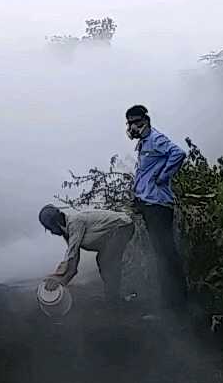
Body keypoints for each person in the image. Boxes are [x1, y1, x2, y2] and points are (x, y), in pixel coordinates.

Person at [125, 104, 188, 311]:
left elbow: (178, 153)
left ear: (146, 121)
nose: (133, 127)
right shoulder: (144, 143)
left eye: (136, 122)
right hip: (149, 204)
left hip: (158, 205)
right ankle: (170, 300)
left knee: (166, 253)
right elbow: (144, 173)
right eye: (130, 123)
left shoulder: (155, 139)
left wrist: (163, 177)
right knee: (161, 253)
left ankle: (177, 303)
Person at [38, 205, 136, 303]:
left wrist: (57, 278)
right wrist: (60, 282)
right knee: (104, 260)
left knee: (107, 261)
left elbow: (71, 254)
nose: (52, 232)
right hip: (113, 233)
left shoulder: (75, 223)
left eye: (50, 229)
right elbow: (73, 263)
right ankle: (114, 296)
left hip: (123, 227)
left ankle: (115, 298)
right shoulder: (68, 233)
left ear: (56, 223)